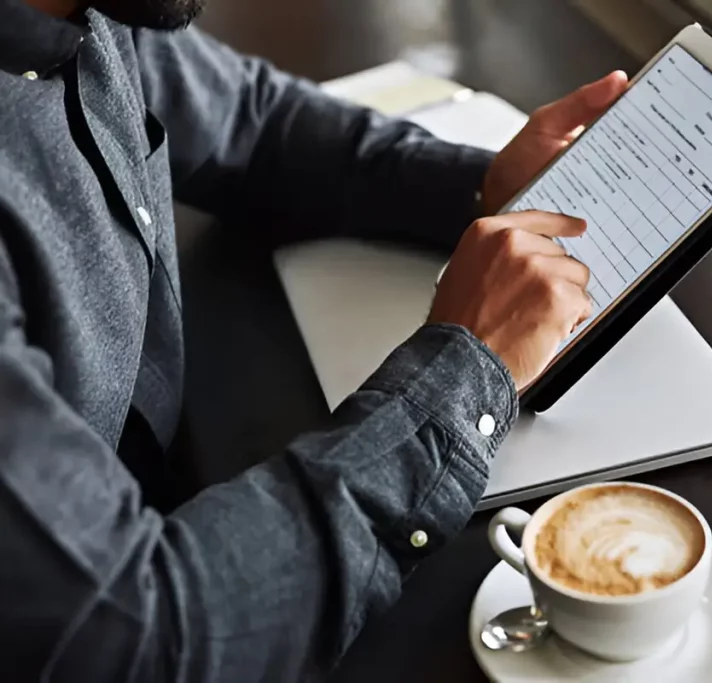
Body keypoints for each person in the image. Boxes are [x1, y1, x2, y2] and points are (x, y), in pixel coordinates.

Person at [0, 0, 628, 678]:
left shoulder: (90, 12)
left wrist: (483, 186)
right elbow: (142, 642)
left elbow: (252, 119)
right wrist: (465, 370)